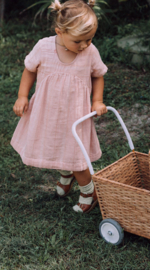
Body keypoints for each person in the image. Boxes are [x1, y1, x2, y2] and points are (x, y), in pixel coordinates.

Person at [11, 0, 108, 214]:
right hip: (48, 112)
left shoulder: (90, 53)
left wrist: (97, 100)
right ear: (59, 32)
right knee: (57, 144)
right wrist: (22, 96)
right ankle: (67, 175)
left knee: (77, 155)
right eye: (78, 41)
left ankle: (89, 192)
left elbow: (98, 76)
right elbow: (29, 70)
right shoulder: (43, 47)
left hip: (76, 114)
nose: (84, 45)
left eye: (89, 39)